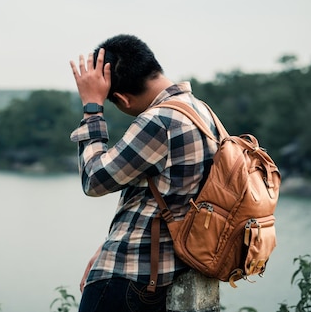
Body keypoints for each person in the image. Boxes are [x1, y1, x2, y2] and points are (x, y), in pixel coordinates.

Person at [69, 34, 221, 312]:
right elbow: (163, 195)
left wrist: (92, 109)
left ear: (122, 100)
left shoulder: (159, 120)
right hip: (166, 272)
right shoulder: (202, 112)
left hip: (131, 279)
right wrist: (109, 244)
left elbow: (93, 179)